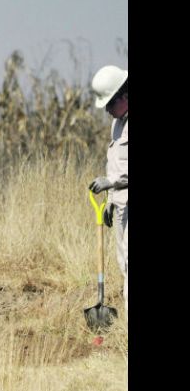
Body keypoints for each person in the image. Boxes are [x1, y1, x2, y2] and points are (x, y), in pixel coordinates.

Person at [89, 65, 128, 312]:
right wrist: (111, 202)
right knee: (124, 264)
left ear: (123, 96)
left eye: (109, 104)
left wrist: (111, 183)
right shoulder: (118, 124)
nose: (107, 110)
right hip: (122, 206)